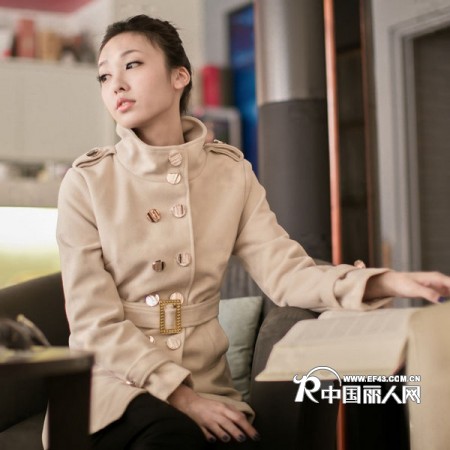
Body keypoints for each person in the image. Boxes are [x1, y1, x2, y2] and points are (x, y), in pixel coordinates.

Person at [53, 14, 450, 450]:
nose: (116, 85)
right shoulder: (87, 181)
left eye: (132, 65)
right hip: (111, 388)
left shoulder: (231, 173)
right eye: (104, 75)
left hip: (207, 386)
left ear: (179, 76)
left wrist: (381, 281)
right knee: (171, 436)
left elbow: (286, 273)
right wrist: (183, 398)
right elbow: (93, 324)